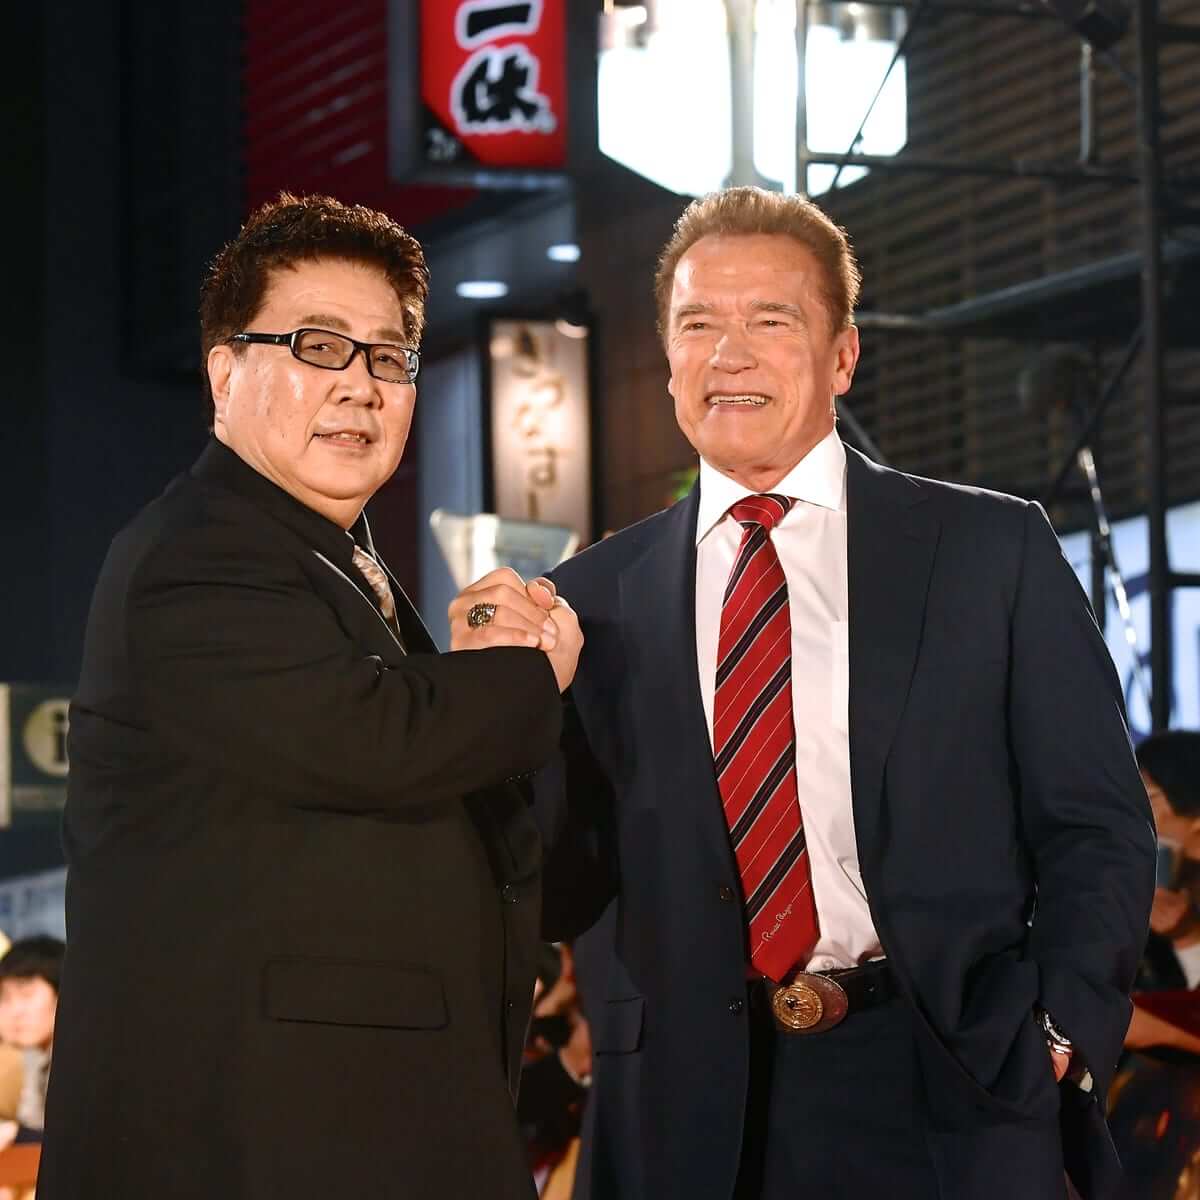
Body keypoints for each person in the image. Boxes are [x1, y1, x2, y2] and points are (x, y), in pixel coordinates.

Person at [523, 186, 1155, 1199]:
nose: (729, 355)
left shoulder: (987, 549)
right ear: (669, 358)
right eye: (698, 325)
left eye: (770, 321)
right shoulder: (589, 600)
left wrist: (1057, 1031)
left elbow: (1096, 825)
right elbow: (560, 886)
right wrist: (517, 706)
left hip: (950, 1080)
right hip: (684, 1111)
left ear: (843, 355)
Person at [39, 193, 581, 1200]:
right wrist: (523, 668)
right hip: (249, 1146)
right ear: (224, 373)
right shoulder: (196, 553)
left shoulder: (334, 563)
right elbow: (370, 741)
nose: (360, 386)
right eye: (318, 347)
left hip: (349, 1129)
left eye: (389, 357)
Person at [0, 936, 64, 1139]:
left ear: (62, 995)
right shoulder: (33, 1054)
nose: (15, 1011)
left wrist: (16, 1134)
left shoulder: (81, 1059)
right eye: (5, 998)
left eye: (26, 994)